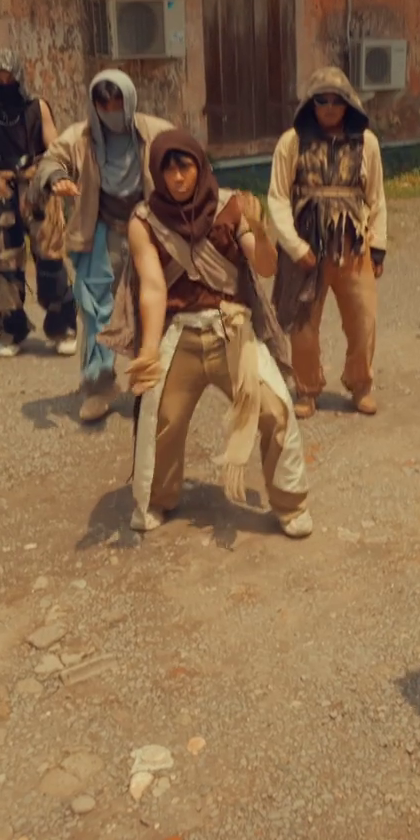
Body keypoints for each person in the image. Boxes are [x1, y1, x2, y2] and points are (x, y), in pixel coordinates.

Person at [100, 130, 311, 538]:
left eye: (185, 167)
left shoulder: (230, 206)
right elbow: (153, 288)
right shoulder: (145, 221)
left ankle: (291, 504)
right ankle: (158, 498)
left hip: (231, 331)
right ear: (157, 173)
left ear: (200, 166)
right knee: (160, 417)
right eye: (169, 169)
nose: (178, 177)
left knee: (276, 409)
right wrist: (148, 353)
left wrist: (259, 230)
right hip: (180, 336)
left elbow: (265, 267)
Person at [37, 71, 173, 423]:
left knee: (152, 304)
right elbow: (50, 160)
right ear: (94, 105)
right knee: (96, 308)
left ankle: (152, 382)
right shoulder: (81, 137)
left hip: (148, 231)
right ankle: (99, 385)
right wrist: (57, 178)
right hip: (102, 232)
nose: (112, 111)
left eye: (118, 102)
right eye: (104, 104)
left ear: (130, 100)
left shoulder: (156, 132)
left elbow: (188, 161)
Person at [266, 68, 387, 419]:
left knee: (364, 320)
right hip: (306, 248)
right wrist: (295, 247)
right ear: (311, 103)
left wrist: (378, 245)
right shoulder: (291, 142)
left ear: (349, 103)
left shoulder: (367, 142)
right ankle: (307, 389)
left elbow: (377, 197)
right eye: (322, 100)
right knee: (303, 325)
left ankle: (360, 384)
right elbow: (277, 197)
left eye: (338, 100)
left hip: (353, 245)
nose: (330, 108)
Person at [0, 50, 76, 358]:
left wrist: (48, 175)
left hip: (36, 187)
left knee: (51, 259)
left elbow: (55, 148)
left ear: (18, 76)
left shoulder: (37, 107)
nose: (4, 82)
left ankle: (62, 327)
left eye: (8, 77)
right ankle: (11, 329)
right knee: (4, 265)